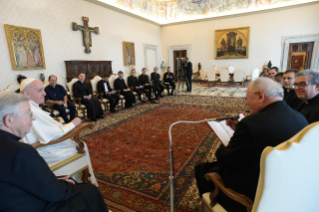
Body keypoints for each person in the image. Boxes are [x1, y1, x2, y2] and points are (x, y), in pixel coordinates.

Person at [195, 78, 308, 212]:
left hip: (256, 190)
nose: (246, 102)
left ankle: (209, 206)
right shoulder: (301, 118)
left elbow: (225, 159)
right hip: (287, 185)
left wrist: (230, 139)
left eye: (247, 98)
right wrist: (240, 132)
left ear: (260, 96)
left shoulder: (250, 123)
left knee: (202, 169)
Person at [0, 92, 109, 212]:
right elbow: (55, 193)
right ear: (9, 119)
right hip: (29, 206)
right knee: (89, 191)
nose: (33, 117)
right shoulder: (21, 152)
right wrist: (66, 183)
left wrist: (55, 181)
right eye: (28, 113)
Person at [20, 78, 98, 186]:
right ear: (26, 93)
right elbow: (55, 134)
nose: (45, 93)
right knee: (81, 145)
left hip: (39, 146)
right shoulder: (32, 111)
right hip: (44, 149)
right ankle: (82, 182)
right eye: (40, 90)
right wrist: (73, 124)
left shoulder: (26, 105)